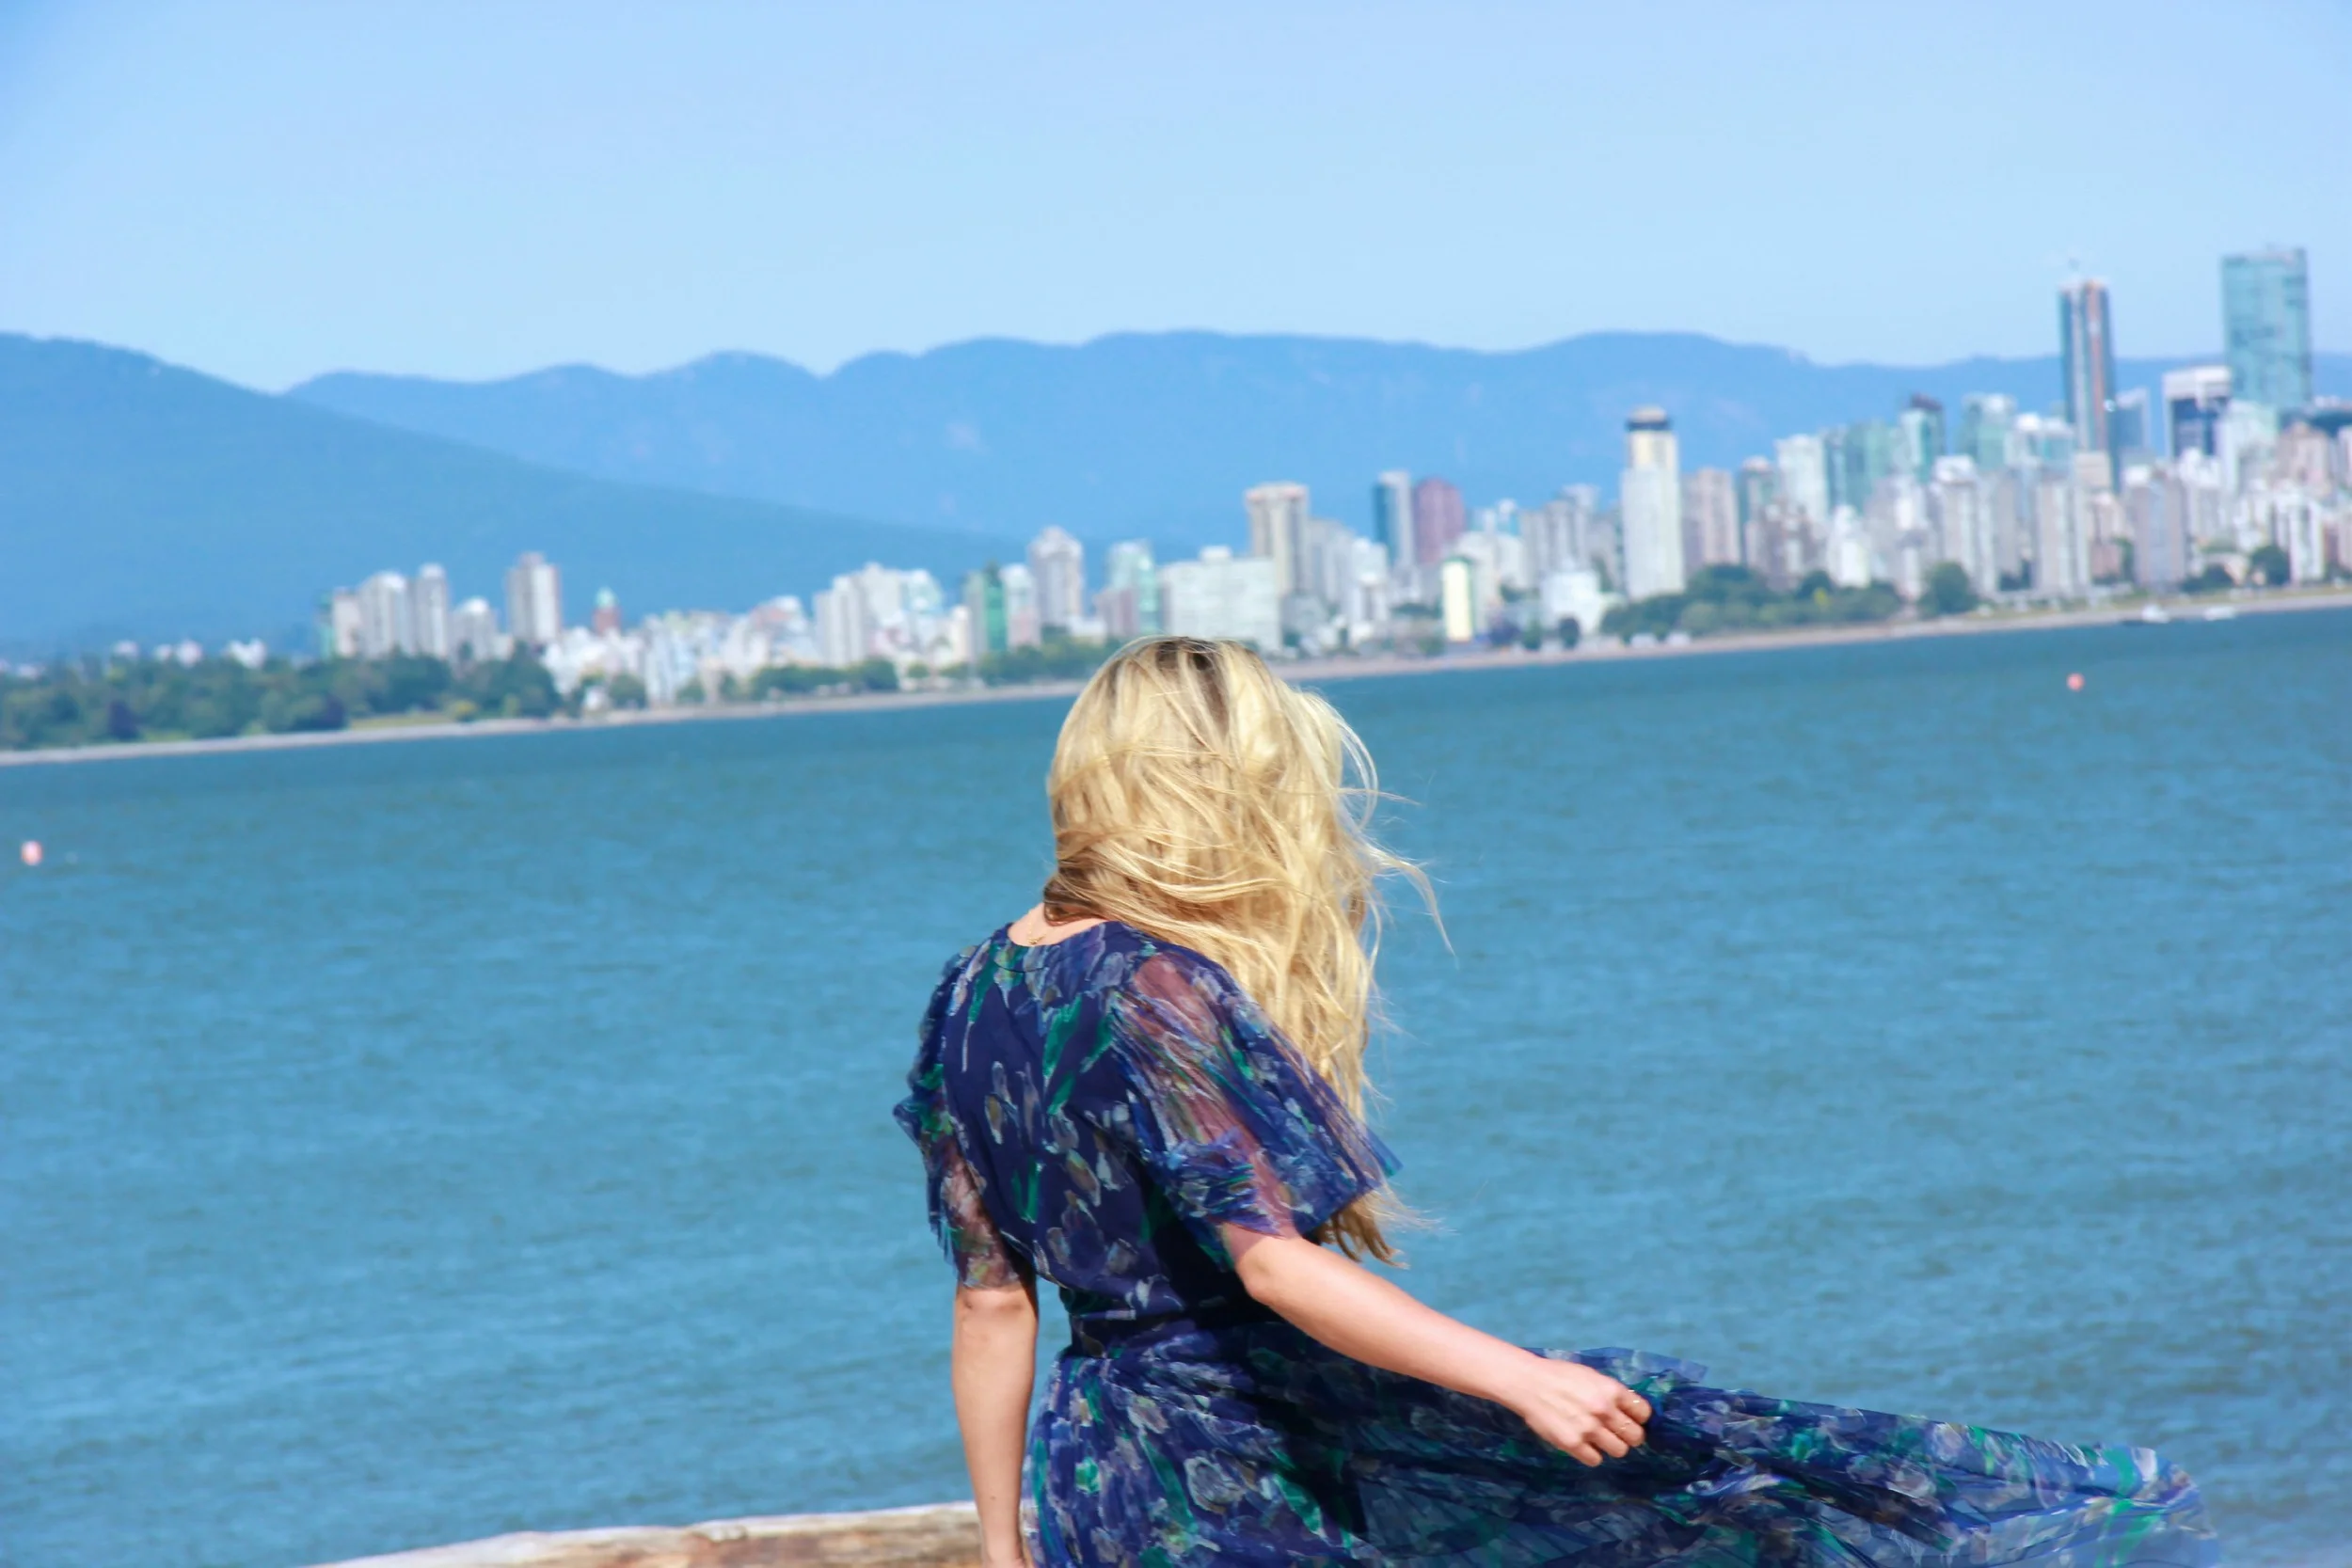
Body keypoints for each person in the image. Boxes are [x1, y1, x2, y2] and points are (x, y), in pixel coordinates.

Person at [896, 636, 2215, 1568]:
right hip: (1244, 1456)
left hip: (1099, 1478)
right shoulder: (1157, 984)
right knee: (1706, 1480)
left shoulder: (968, 993)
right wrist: (1520, 1379)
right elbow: (1274, 1266)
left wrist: (1004, 1545)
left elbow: (991, 1302)